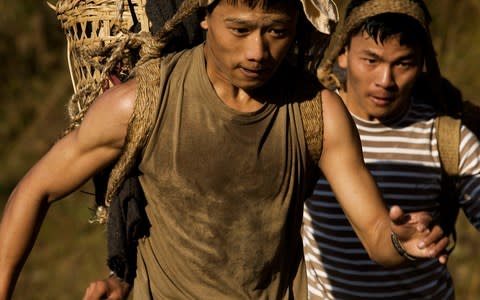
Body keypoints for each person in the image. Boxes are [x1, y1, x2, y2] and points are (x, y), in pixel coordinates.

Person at [0, 0, 449, 299]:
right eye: (240, 29)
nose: (258, 51)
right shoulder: (143, 101)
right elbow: (35, 190)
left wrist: (405, 242)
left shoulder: (317, 112)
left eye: (277, 31)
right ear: (204, 17)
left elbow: (374, 231)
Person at [302, 0, 480, 299]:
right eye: (371, 60)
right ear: (342, 54)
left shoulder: (447, 138)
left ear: (422, 63)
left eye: (403, 63)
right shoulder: (310, 124)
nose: (385, 81)